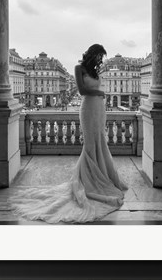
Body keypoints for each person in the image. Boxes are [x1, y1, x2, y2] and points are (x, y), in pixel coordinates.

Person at [8, 44, 128, 223]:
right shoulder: (79, 68)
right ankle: (87, 179)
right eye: (98, 57)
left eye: (101, 58)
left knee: (100, 141)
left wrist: (100, 96)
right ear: (92, 54)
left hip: (99, 108)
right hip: (88, 107)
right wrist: (100, 92)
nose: (99, 60)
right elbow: (81, 90)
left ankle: (102, 175)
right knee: (90, 144)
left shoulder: (95, 70)